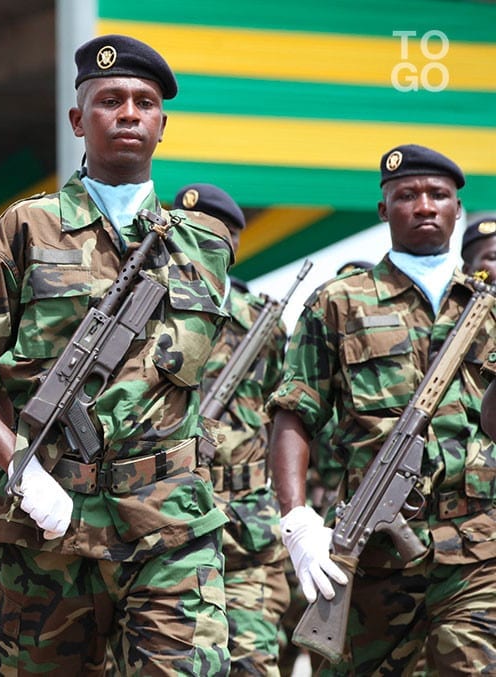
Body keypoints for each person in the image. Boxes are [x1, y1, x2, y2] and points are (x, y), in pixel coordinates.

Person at [0, 35, 233, 674]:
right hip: (48, 524)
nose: (128, 114)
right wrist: (17, 466)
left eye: (144, 103)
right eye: (110, 100)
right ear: (77, 120)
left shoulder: (204, 245)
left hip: (170, 523)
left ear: (162, 125)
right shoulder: (25, 227)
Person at [268, 144, 496, 674]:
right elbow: (294, 413)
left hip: (479, 552)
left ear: (457, 209)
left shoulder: (487, 306)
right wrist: (297, 520)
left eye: (438, 195)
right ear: (383, 210)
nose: (423, 206)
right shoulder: (340, 301)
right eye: (406, 195)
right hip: (372, 556)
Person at [175, 183, 290, 676]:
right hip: (165, 520)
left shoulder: (263, 325)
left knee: (252, 663)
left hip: (246, 532)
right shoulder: (138, 315)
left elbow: (291, 413)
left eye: (215, 232)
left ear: (236, 243)